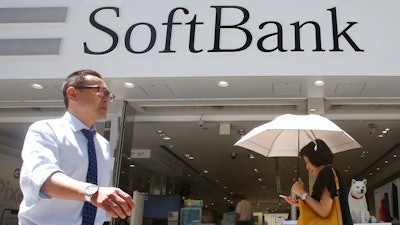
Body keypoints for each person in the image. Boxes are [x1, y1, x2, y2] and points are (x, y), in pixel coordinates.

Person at [18, 69, 135, 225]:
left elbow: (99, 199)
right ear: (73, 94)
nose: (107, 99)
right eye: (100, 92)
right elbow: (44, 180)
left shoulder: (102, 145)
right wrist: (93, 193)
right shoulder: (45, 130)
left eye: (109, 95)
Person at [284, 139, 353, 225]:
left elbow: (324, 211)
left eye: (307, 161)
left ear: (315, 158)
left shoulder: (327, 173)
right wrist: (299, 203)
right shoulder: (329, 173)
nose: (307, 167)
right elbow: (321, 207)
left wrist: (302, 193)